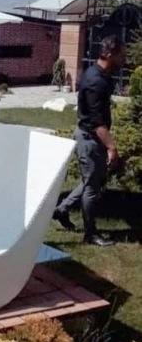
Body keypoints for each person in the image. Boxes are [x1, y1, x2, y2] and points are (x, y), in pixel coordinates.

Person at [53, 34, 126, 247]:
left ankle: (62, 209)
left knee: (91, 181)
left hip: (92, 137)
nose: (124, 59)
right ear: (110, 54)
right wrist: (111, 147)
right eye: (121, 55)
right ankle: (90, 234)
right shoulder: (95, 81)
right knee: (92, 189)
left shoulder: (100, 74)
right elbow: (97, 122)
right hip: (90, 138)